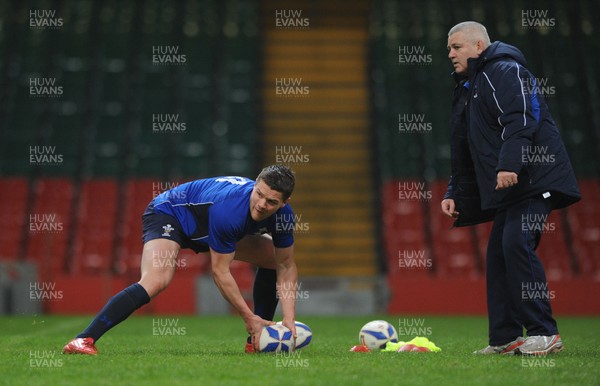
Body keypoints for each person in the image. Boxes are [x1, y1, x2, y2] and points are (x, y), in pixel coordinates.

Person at [441, 21, 580, 355]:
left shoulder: (505, 70)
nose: (450, 54)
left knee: (516, 243)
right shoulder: (469, 86)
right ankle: (505, 338)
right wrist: (453, 191)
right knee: (500, 255)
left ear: (478, 46)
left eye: (456, 47)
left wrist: (510, 164)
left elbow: (521, 118)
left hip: (534, 179)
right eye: (449, 48)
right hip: (511, 187)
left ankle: (545, 333)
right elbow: (466, 147)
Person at [63, 165, 299, 355]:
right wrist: (248, 316)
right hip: (170, 214)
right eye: (259, 194)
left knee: (271, 260)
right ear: (255, 184)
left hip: (206, 225)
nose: (261, 204)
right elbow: (220, 272)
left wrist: (289, 320)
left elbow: (286, 265)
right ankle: (83, 340)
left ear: (284, 203)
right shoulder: (230, 211)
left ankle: (258, 340)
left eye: (271, 202)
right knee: (156, 280)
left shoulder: (284, 218)